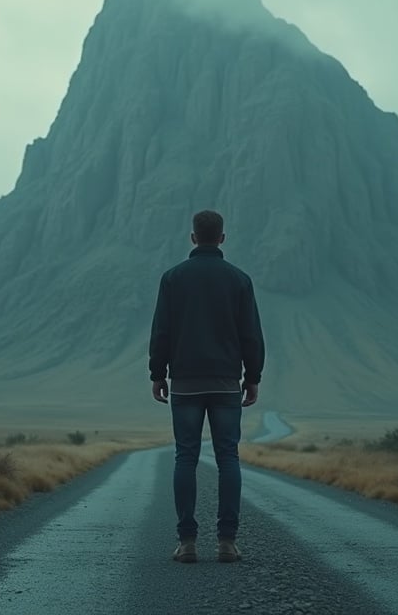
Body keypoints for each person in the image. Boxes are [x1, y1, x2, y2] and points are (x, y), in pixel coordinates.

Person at [149, 209, 265, 564]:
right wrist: (253, 377)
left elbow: (161, 332)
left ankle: (187, 543)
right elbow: (251, 335)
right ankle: (227, 542)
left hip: (184, 384)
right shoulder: (239, 280)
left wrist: (157, 374)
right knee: (228, 457)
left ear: (193, 237)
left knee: (185, 458)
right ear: (223, 238)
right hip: (227, 383)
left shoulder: (172, 278)